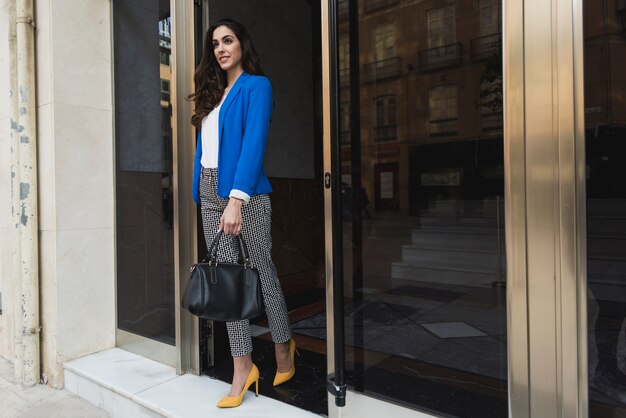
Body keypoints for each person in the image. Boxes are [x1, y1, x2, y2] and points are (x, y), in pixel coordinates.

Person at [188, 18, 296, 408]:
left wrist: (236, 199)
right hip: (209, 190)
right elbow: (206, 149)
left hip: (242, 193)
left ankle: (284, 348)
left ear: (241, 45)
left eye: (227, 40)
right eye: (215, 43)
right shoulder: (214, 94)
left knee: (262, 273)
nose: (220, 48)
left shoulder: (256, 86)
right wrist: (203, 190)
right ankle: (242, 368)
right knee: (229, 285)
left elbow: (254, 144)